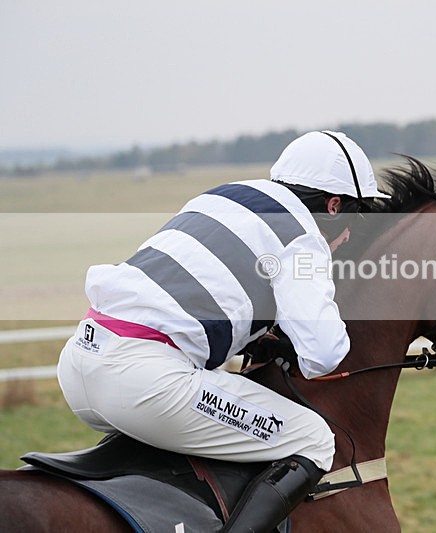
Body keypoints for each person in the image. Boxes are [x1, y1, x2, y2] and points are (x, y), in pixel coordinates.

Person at [57, 131, 390, 531]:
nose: (351, 233)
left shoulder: (222, 196)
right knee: (314, 439)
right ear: (335, 206)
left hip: (79, 361)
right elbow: (323, 354)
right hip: (142, 379)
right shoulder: (303, 235)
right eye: (356, 216)